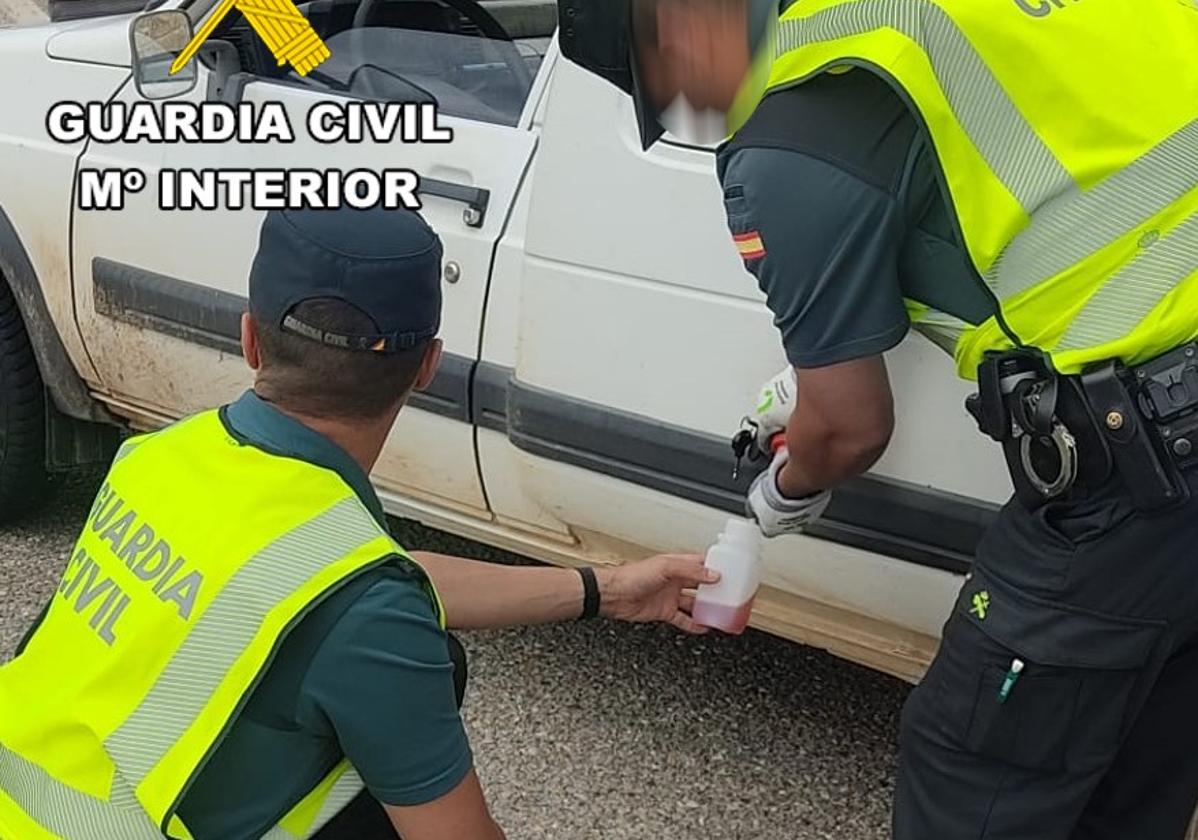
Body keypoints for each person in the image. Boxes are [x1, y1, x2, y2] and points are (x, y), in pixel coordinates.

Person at [558, 0, 1198, 837]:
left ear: (679, 28)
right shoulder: (928, 24)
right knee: (1141, 746)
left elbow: (850, 429)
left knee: (973, 762)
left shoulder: (788, 136)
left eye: (665, 87)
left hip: (1150, 458)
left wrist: (781, 494)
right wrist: (809, 380)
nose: (692, 111)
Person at [0, 205, 718, 840]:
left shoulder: (155, 459)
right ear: (427, 367)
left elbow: (367, 582)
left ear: (251, 339)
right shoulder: (366, 615)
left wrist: (610, 589)